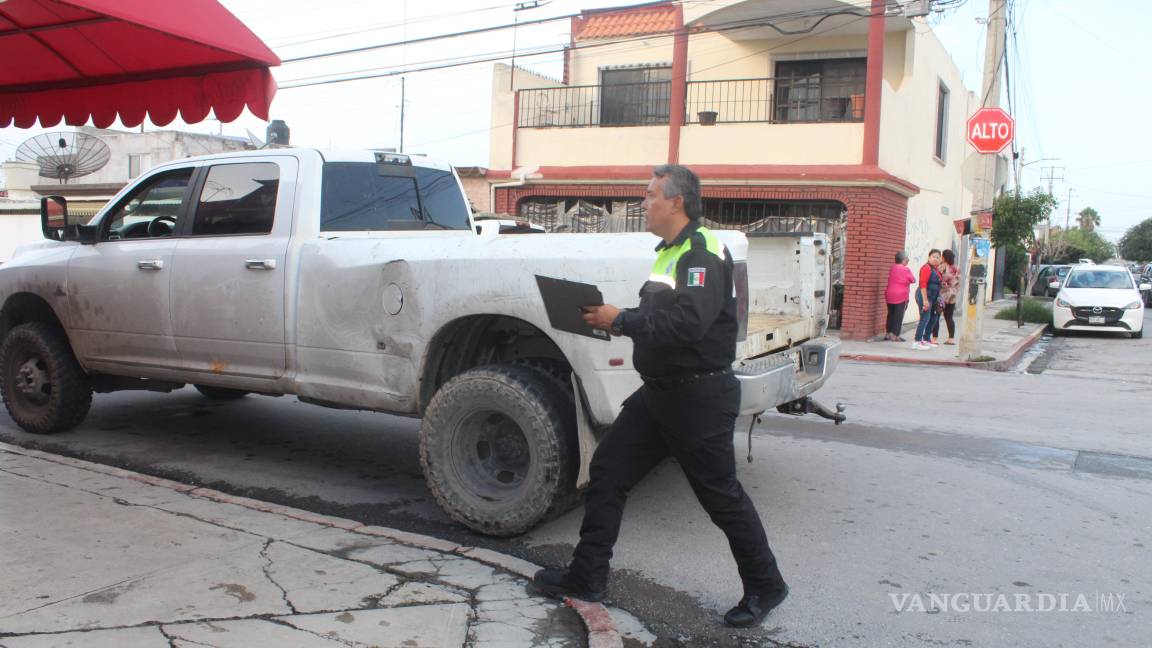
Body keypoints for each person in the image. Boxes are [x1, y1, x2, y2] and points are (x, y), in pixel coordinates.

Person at [531, 164, 789, 628]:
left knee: (721, 497)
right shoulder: (670, 252)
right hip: (659, 395)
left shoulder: (701, 252)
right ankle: (587, 576)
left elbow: (689, 325)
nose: (643, 202)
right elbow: (660, 316)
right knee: (608, 471)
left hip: (698, 398)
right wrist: (610, 318)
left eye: (650, 195)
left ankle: (766, 585)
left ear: (676, 202)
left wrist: (620, 320)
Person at [913, 249, 942, 349]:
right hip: (924, 295)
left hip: (933, 297)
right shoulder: (926, 268)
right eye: (933, 257)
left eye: (938, 257)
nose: (935, 259)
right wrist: (925, 300)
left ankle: (926, 339)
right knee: (925, 318)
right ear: (929, 257)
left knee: (933, 318)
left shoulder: (936, 270)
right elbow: (923, 285)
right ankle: (917, 341)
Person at [884, 251, 916, 341]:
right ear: (903, 259)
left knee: (890, 314)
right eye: (907, 258)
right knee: (898, 316)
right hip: (900, 296)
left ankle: (888, 333)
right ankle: (895, 335)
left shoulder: (892, 268)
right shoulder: (906, 270)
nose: (908, 260)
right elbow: (913, 280)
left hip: (889, 294)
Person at [932, 249, 960, 345]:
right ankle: (951, 339)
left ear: (943, 257)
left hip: (942, 296)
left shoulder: (941, 267)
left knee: (937, 316)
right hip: (952, 296)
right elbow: (958, 283)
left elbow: (937, 279)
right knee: (949, 317)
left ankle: (935, 338)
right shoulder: (956, 268)